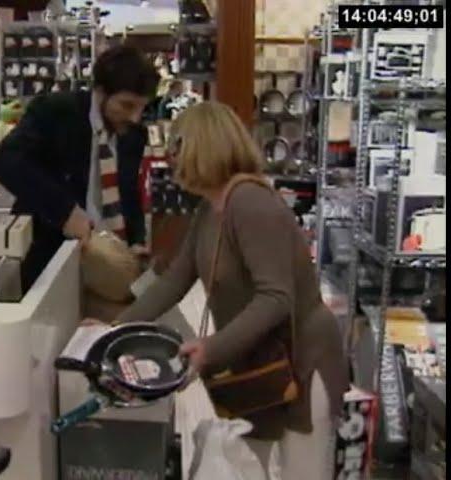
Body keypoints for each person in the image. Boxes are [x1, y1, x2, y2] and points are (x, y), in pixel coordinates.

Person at [113, 102, 349, 479]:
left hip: (302, 365)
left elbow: (276, 297)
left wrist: (211, 349)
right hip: (263, 365)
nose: (170, 159)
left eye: (177, 146)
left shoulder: (250, 203)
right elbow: (175, 279)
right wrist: (114, 330)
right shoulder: (211, 210)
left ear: (201, 147)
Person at [0, 46, 159, 291]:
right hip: (51, 262)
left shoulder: (134, 134)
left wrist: (136, 240)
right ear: (100, 92)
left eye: (141, 108)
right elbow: (6, 161)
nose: (135, 117)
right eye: (126, 105)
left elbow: (128, 191)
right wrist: (65, 211)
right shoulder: (56, 112)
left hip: (108, 267)